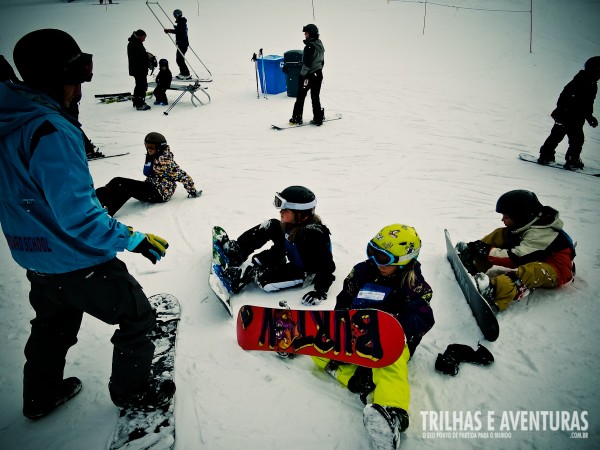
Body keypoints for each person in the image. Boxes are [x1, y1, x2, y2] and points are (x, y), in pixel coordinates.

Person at [0, 29, 175, 420]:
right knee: (137, 316)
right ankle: (134, 393)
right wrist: (133, 238)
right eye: (76, 81)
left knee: (52, 326)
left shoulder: (9, 120)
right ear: (54, 79)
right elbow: (78, 216)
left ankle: (39, 396)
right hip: (79, 260)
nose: (79, 92)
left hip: (35, 256)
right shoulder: (51, 129)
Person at [313, 224, 434, 449]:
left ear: (404, 259)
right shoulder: (361, 272)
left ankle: (391, 412)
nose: (377, 262)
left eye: (384, 257)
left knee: (390, 364)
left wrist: (393, 326)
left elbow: (423, 319)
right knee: (319, 346)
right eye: (373, 252)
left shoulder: (414, 285)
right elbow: (344, 300)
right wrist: (338, 330)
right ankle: (357, 378)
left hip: (390, 340)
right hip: (355, 333)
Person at [456, 190, 576, 311]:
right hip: (536, 255)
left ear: (521, 217)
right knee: (500, 233)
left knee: (532, 270)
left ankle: (494, 292)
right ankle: (474, 262)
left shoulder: (541, 233)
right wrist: (479, 248)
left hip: (556, 269)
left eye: (506, 216)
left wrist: (487, 251)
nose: (502, 219)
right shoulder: (529, 223)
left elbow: (516, 258)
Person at [219, 185, 335, 304]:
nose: (281, 212)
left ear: (300, 214)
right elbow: (285, 244)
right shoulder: (291, 224)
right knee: (272, 225)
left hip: (304, 270)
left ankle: (248, 277)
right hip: (296, 254)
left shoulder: (314, 236)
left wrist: (320, 292)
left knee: (265, 281)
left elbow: (327, 268)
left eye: (286, 210)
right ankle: (238, 250)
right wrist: (271, 256)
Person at [96, 132, 200, 216]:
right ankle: (96, 199)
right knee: (117, 182)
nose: (149, 149)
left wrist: (193, 191)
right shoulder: (153, 156)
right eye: (147, 146)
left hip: (160, 193)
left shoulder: (166, 162)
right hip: (152, 186)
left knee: (124, 186)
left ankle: (108, 211)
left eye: (152, 147)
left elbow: (184, 176)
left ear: (159, 148)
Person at [538, 56, 600, 170]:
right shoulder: (580, 81)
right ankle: (568, 159)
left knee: (565, 137)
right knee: (570, 138)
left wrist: (589, 117)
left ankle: (548, 155)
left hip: (575, 116)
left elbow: (587, 103)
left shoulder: (591, 84)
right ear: (594, 70)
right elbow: (564, 96)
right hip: (567, 115)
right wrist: (561, 113)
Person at [289, 24, 325, 126]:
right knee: (315, 96)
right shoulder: (319, 44)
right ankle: (318, 118)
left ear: (311, 33)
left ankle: (296, 118)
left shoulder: (309, 46)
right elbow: (322, 61)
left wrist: (302, 76)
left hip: (309, 76)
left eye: (306, 33)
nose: (305, 34)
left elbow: (307, 64)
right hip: (318, 74)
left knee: (300, 97)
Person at [127, 29, 152, 111]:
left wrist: (148, 56)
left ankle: (137, 101)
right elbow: (137, 58)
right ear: (139, 36)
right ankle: (139, 104)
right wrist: (147, 57)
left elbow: (142, 54)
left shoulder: (137, 43)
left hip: (140, 69)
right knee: (141, 86)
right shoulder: (133, 44)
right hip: (138, 69)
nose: (144, 39)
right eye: (144, 37)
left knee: (140, 85)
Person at [164, 9, 191, 80]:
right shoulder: (181, 22)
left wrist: (169, 30)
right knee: (179, 58)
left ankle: (186, 73)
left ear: (177, 15)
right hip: (182, 43)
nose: (174, 17)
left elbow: (179, 31)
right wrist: (176, 28)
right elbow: (180, 30)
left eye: (175, 15)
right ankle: (183, 72)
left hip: (182, 43)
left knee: (179, 59)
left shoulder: (181, 22)